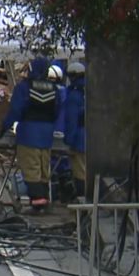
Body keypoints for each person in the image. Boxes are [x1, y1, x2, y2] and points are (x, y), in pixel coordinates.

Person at [1, 57, 65, 212]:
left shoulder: (24, 88)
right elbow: (57, 111)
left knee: (31, 169)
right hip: (47, 135)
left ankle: (37, 204)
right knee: (44, 169)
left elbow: (15, 110)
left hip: (29, 134)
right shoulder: (54, 89)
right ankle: (43, 201)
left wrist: (3, 129)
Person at [57, 61, 87, 201]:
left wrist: (68, 142)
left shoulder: (74, 95)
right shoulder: (91, 91)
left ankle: (83, 201)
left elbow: (71, 121)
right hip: (95, 138)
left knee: (80, 172)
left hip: (79, 139)